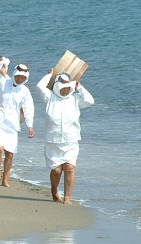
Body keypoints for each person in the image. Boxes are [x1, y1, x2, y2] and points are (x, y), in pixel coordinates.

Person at [36, 69, 94, 205]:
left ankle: (67, 197)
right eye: (63, 88)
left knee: (69, 168)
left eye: (68, 88)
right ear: (56, 86)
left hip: (71, 140)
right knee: (56, 170)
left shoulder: (74, 99)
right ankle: (54, 190)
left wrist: (79, 87)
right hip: (53, 141)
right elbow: (39, 86)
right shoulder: (49, 97)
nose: (65, 91)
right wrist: (49, 74)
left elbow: (90, 101)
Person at [0, 63, 35, 187]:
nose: (20, 79)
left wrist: (30, 126)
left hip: (13, 125)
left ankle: (5, 179)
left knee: (9, 153)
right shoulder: (3, 83)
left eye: (23, 78)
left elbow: (29, 109)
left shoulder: (24, 91)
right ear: (14, 74)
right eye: (18, 76)